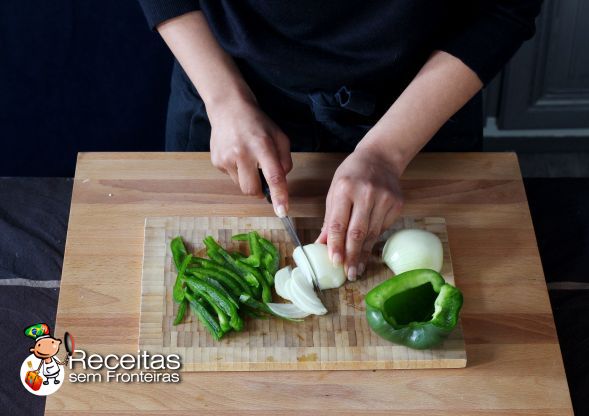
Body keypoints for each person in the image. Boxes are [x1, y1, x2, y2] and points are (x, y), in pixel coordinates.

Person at [137, 1, 542, 281]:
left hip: (422, 101)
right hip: (226, 85)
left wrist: (387, 150)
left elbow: (504, 8)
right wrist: (224, 99)